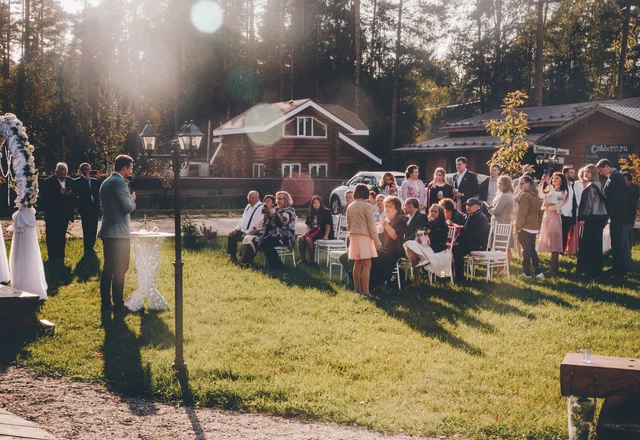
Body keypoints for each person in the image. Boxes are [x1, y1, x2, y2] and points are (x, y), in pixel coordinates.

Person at [98, 155, 136, 314]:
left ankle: (106, 304)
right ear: (124, 168)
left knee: (108, 268)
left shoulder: (105, 183)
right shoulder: (121, 183)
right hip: (119, 235)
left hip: (108, 231)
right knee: (121, 268)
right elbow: (127, 208)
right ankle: (119, 305)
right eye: (130, 168)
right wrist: (132, 199)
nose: (131, 171)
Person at [346, 183, 381, 298]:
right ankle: (366, 292)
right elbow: (371, 225)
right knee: (367, 263)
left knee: (357, 263)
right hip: (364, 236)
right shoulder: (367, 206)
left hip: (353, 236)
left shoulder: (350, 206)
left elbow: (348, 224)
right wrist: (377, 241)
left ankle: (358, 291)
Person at [404, 204, 450, 286]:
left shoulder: (443, 224)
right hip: (427, 246)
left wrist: (432, 224)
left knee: (412, 249)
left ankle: (417, 278)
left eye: (435, 212)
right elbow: (421, 232)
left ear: (440, 213)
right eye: (431, 211)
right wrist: (425, 229)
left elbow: (438, 237)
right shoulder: (429, 223)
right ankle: (417, 276)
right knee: (410, 245)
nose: (432, 213)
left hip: (437, 248)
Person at [597, 159, 629, 278]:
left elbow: (615, 197)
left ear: (606, 166)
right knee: (614, 242)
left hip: (617, 214)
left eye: (601, 170)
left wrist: (609, 212)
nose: (601, 173)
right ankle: (616, 267)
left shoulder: (616, 177)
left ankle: (619, 271)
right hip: (616, 214)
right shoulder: (615, 176)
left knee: (616, 242)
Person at [370, 196, 407, 288]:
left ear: (396, 208)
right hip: (382, 248)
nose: (387, 208)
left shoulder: (399, 220)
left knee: (373, 257)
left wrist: (385, 225)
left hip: (393, 250)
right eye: (386, 206)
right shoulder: (386, 219)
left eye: (390, 206)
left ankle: (374, 283)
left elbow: (395, 236)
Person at [577, 165, 608, 277]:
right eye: (585, 171)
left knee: (587, 244)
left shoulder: (591, 186)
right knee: (596, 245)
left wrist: (583, 218)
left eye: (589, 171)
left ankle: (588, 270)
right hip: (599, 218)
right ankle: (595, 270)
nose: (586, 173)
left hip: (591, 218)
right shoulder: (599, 185)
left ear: (594, 173)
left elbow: (589, 204)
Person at [41, 162, 75, 262]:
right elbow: (44, 198)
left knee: (62, 235)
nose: (63, 177)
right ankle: (52, 257)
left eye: (65, 174)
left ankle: (61, 255)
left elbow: (76, 195)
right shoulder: (48, 181)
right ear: (56, 172)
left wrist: (70, 194)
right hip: (52, 214)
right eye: (61, 175)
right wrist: (58, 193)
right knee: (51, 236)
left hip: (64, 214)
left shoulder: (70, 181)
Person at [452, 198, 490, 283]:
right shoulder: (471, 216)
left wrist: (460, 242)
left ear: (477, 206)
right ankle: (453, 274)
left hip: (478, 245)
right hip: (471, 243)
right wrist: (456, 240)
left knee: (457, 249)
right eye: (467, 205)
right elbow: (464, 231)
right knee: (454, 247)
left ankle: (459, 278)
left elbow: (477, 236)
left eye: (470, 205)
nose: (468, 207)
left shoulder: (481, 218)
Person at [537, 172, 568, 276]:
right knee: (550, 240)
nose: (554, 180)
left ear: (561, 180)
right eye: (553, 178)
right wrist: (542, 183)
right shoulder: (552, 190)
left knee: (554, 241)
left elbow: (554, 198)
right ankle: (555, 268)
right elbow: (541, 195)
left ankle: (552, 268)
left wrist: (549, 184)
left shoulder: (563, 192)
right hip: (548, 215)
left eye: (557, 178)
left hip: (555, 216)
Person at [258, 191, 296, 269]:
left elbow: (283, 222)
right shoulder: (275, 209)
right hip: (273, 235)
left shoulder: (289, 210)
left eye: (280, 199)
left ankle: (278, 266)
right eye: (277, 199)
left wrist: (273, 214)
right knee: (258, 240)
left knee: (265, 243)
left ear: (286, 200)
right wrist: (266, 214)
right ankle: (247, 261)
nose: (278, 201)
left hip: (284, 236)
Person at [515, 175, 543, 278]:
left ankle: (526, 273)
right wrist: (538, 224)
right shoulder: (535, 194)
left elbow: (522, 213)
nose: (520, 186)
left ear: (528, 184)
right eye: (519, 183)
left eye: (522, 183)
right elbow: (539, 212)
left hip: (525, 226)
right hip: (534, 226)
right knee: (532, 250)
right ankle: (538, 271)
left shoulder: (525, 195)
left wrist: (518, 226)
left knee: (526, 250)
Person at [485, 175, 515, 267]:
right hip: (505, 223)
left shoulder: (505, 196)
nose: (499, 185)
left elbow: (496, 211)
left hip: (501, 224)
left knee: (501, 248)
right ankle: (505, 268)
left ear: (506, 185)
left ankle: (500, 269)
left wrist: (489, 209)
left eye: (501, 183)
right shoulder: (507, 195)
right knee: (506, 248)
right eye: (498, 183)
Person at [239, 195, 276, 264]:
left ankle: (247, 261)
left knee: (252, 239)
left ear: (273, 204)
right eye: (265, 201)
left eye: (268, 201)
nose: (266, 203)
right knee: (247, 237)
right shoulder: (262, 212)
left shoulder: (273, 213)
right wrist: (253, 228)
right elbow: (258, 222)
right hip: (258, 232)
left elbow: (268, 226)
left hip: (266, 234)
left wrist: (256, 231)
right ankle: (243, 260)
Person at [228, 191, 262, 262]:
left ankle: (243, 259)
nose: (250, 199)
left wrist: (247, 232)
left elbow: (258, 223)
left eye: (253, 198)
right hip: (244, 231)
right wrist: (236, 229)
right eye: (249, 197)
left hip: (252, 233)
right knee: (231, 235)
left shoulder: (261, 208)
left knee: (245, 238)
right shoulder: (248, 206)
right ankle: (232, 256)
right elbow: (243, 219)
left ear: (258, 198)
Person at [298, 195, 334, 264]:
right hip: (313, 231)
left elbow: (328, 226)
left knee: (308, 239)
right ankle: (303, 259)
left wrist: (326, 236)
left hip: (322, 231)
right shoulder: (310, 212)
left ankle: (311, 260)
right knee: (301, 239)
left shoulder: (326, 212)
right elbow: (308, 225)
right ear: (312, 204)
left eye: (318, 202)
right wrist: (308, 230)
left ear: (321, 203)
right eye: (314, 202)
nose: (316, 204)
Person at [75, 162, 101, 253]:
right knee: (86, 227)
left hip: (94, 206)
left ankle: (92, 245)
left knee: (94, 227)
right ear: (81, 170)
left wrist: (98, 178)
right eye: (86, 169)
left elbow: (99, 189)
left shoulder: (93, 181)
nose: (88, 171)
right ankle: (87, 246)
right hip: (85, 207)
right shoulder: (78, 181)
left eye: (89, 169)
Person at [560, 166, 581, 254]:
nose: (573, 175)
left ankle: (562, 250)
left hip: (570, 213)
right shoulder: (561, 185)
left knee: (565, 233)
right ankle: (558, 251)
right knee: (560, 233)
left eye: (574, 173)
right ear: (565, 174)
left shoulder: (573, 185)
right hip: (561, 212)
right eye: (571, 173)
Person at [622, 172, 639, 271]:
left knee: (624, 242)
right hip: (628, 220)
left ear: (629, 181)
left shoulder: (630, 192)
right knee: (625, 242)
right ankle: (626, 264)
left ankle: (626, 265)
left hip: (627, 220)